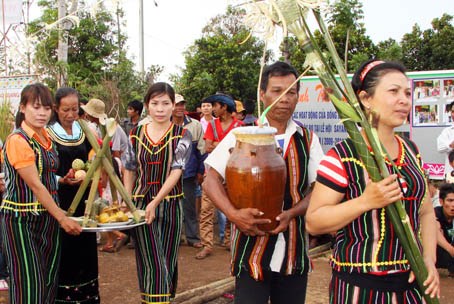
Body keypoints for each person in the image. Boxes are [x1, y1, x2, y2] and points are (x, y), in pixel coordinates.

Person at [306, 60, 440, 303]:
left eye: (407, 93)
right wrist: (365, 202)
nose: (404, 100)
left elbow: (426, 211)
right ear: (366, 99)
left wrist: (429, 258)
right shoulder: (342, 156)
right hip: (360, 287)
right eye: (393, 91)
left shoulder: (411, 150)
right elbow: (314, 222)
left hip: (412, 285)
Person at [203, 61, 323, 303]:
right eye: (277, 91)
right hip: (250, 251)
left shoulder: (307, 139)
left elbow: (320, 188)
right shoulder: (242, 135)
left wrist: (293, 212)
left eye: (291, 92)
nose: (285, 99)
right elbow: (210, 179)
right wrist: (234, 215)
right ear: (262, 94)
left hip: (293, 251)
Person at [0, 83, 81, 303]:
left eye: (46, 108)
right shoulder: (18, 140)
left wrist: (61, 179)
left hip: (47, 220)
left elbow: (45, 175)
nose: (42, 113)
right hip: (21, 221)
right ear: (23, 108)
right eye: (36, 107)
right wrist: (63, 218)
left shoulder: (45, 138)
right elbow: (35, 185)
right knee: (29, 284)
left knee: (47, 282)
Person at [123, 82, 192, 303]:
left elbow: (176, 171)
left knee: (167, 259)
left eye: (165, 103)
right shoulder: (135, 134)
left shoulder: (183, 135)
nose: (160, 109)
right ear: (147, 106)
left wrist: (157, 201)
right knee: (151, 259)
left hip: (171, 205)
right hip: (142, 207)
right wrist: (128, 199)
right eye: (155, 103)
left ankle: (160, 299)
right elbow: (129, 168)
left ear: (174, 106)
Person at [46, 87, 101, 303]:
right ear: (55, 109)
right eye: (65, 110)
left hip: (84, 199)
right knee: (65, 251)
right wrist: (62, 178)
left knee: (86, 249)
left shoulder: (84, 130)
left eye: (75, 110)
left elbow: (95, 155)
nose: (70, 115)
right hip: (60, 201)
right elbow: (43, 170)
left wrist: (91, 169)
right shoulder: (47, 134)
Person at [197, 93, 244, 260]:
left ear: (224, 107)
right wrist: (227, 146)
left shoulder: (240, 126)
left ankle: (229, 241)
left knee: (233, 207)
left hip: (232, 175)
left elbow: (240, 149)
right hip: (214, 174)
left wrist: (218, 145)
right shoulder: (216, 125)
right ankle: (207, 244)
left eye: (216, 105)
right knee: (206, 210)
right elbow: (208, 147)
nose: (213, 109)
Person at [172, 94, 206, 248]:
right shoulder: (165, 124)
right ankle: (174, 237)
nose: (180, 108)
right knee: (171, 207)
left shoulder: (195, 125)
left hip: (188, 172)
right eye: (177, 104)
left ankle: (192, 237)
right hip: (168, 174)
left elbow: (201, 151)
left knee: (189, 207)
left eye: (182, 104)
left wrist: (200, 171)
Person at [435, 183, 454, 277]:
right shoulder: (435, 213)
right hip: (439, 258)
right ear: (441, 202)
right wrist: (451, 250)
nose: (453, 205)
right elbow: (435, 230)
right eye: (450, 201)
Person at [437, 101, 454, 178]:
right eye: (453, 111)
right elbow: (440, 148)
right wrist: (451, 145)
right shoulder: (447, 131)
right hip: (451, 174)